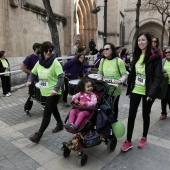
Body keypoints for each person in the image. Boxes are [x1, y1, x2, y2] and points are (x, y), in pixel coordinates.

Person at [120, 32, 162, 152]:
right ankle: (128, 141)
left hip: (148, 91)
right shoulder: (136, 55)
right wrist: (129, 90)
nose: (141, 42)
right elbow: (133, 74)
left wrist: (151, 94)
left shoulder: (155, 56)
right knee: (131, 115)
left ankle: (144, 137)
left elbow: (157, 77)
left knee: (145, 115)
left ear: (148, 41)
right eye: (139, 40)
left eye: (143, 40)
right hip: (136, 89)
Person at [27, 41, 64, 144]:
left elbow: (61, 78)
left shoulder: (55, 62)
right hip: (45, 92)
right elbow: (33, 73)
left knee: (46, 113)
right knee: (53, 108)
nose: (48, 52)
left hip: (54, 93)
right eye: (46, 51)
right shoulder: (39, 62)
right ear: (42, 52)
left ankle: (38, 135)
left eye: (50, 51)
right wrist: (30, 80)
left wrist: (55, 89)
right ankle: (60, 124)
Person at [97, 43, 127, 121]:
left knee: (114, 106)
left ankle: (114, 122)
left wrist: (120, 81)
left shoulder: (119, 61)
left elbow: (125, 75)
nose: (105, 51)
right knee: (105, 106)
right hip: (105, 89)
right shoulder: (102, 60)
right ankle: (105, 123)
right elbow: (100, 72)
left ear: (112, 50)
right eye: (104, 49)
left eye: (107, 49)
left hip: (115, 90)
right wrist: (99, 80)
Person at [20, 43, 41, 117]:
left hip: (41, 79)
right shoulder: (29, 57)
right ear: (36, 49)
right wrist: (30, 72)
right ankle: (27, 109)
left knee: (43, 93)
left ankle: (45, 106)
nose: (41, 50)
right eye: (40, 48)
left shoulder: (40, 57)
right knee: (32, 95)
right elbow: (22, 67)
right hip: (32, 80)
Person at [160, 47, 170, 120]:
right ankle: (163, 113)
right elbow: (159, 71)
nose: (167, 54)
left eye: (169, 52)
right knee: (163, 98)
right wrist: (163, 74)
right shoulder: (163, 61)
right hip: (164, 83)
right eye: (166, 52)